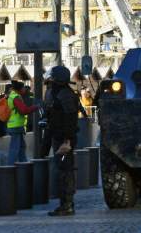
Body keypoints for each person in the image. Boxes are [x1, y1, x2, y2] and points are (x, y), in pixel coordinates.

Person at [45, 65, 79, 217]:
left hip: (64, 140)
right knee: (62, 170)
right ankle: (65, 204)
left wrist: (67, 141)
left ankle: (67, 205)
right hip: (59, 137)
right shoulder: (57, 93)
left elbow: (70, 120)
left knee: (65, 171)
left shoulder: (65, 95)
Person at [6, 81, 38, 164]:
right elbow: (24, 110)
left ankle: (23, 164)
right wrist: (36, 107)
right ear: (19, 89)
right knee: (15, 148)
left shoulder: (12, 96)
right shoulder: (15, 97)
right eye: (23, 87)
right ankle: (10, 167)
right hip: (16, 126)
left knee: (21, 147)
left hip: (16, 125)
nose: (24, 89)